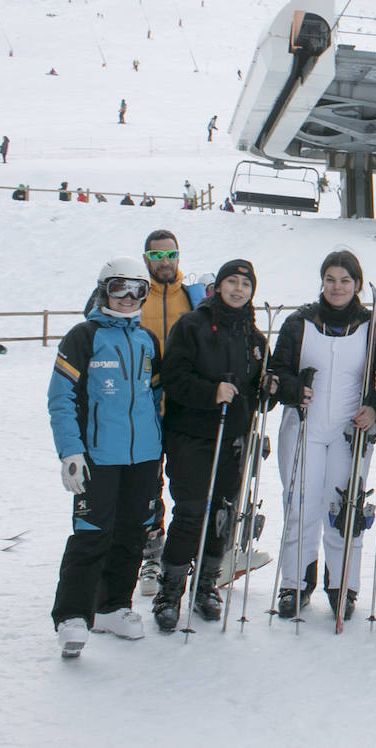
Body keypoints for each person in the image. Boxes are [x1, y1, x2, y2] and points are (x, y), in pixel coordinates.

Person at [48, 257, 163, 657]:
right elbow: (61, 399)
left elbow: (156, 396)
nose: (129, 298)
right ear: (103, 290)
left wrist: (159, 448)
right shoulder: (83, 336)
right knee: (92, 533)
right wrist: (71, 451)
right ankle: (73, 615)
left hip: (143, 457)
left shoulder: (148, 340)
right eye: (119, 288)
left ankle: (113, 605)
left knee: (133, 533)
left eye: (138, 290)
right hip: (99, 455)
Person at [268, 251, 376, 620]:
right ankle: (295, 583)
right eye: (331, 279)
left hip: (349, 430)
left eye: (345, 280)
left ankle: (342, 586)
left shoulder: (372, 327)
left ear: (356, 284)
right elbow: (277, 371)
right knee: (300, 506)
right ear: (322, 282)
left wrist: (373, 406)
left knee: (344, 510)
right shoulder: (299, 323)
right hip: (304, 426)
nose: (337, 287)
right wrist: (292, 389)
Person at [151, 260, 271, 632]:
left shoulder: (253, 336)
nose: (238, 289)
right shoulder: (193, 325)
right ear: (217, 286)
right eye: (231, 282)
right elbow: (173, 377)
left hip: (233, 437)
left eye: (245, 284)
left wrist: (270, 387)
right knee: (191, 513)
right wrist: (211, 392)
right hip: (192, 435)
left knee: (222, 513)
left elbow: (257, 388)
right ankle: (170, 591)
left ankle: (206, 585)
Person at [135, 231, 195, 595]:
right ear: (146, 259)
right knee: (147, 484)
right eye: (157, 255)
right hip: (144, 408)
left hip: (187, 406)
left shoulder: (192, 297)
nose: (164, 261)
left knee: (187, 483)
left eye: (171, 253)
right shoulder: (135, 296)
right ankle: (150, 555)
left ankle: (188, 553)